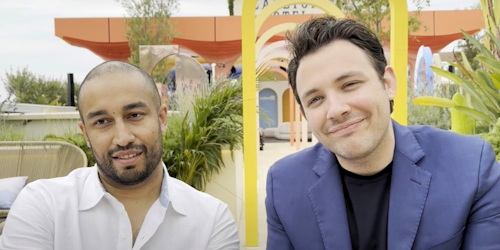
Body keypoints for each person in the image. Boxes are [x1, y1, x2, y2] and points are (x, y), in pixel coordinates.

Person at [265, 16, 500, 250]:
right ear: (305, 114)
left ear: (387, 83)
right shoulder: (284, 186)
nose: (336, 110)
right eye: (316, 99)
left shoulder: (470, 167)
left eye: (349, 84)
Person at [0, 61, 240, 250]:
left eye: (134, 115)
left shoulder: (211, 220)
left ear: (162, 119)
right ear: (85, 133)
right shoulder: (43, 207)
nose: (123, 138)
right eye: (102, 121)